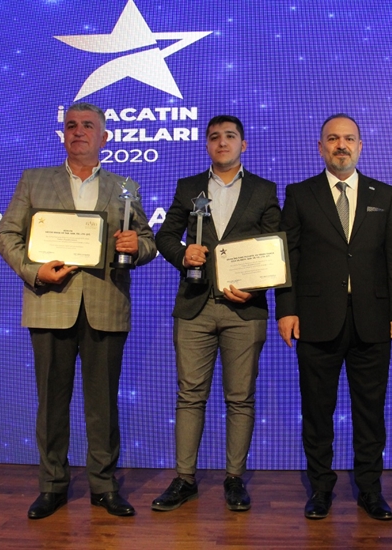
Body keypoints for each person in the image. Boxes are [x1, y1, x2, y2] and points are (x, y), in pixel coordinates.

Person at [0, 102, 156, 520]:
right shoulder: (34, 180)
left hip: (106, 305)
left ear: (105, 137)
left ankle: (104, 486)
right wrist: (34, 271)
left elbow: (147, 241)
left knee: (103, 404)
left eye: (87, 125)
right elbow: (6, 235)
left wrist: (137, 247)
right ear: (63, 135)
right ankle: (52, 486)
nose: (78, 131)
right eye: (71, 126)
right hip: (50, 303)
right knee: (51, 402)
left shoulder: (125, 186)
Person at [276, 114, 392, 521]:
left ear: (360, 146)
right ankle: (320, 489)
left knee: (370, 412)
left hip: (373, 320)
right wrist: (286, 309)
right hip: (315, 319)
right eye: (333, 139)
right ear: (320, 148)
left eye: (349, 138)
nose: (341, 145)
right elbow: (288, 257)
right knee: (317, 412)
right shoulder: (299, 194)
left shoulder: (385, 195)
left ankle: (370, 490)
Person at [153, 115, 280, 512]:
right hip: (195, 305)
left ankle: (234, 479)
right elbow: (165, 236)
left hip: (246, 308)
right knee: (190, 395)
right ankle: (184, 479)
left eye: (230, 136)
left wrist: (255, 287)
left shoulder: (264, 189)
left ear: (244, 144)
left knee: (240, 398)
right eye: (214, 137)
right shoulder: (188, 187)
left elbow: (274, 247)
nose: (221, 142)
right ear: (206, 145)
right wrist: (182, 253)